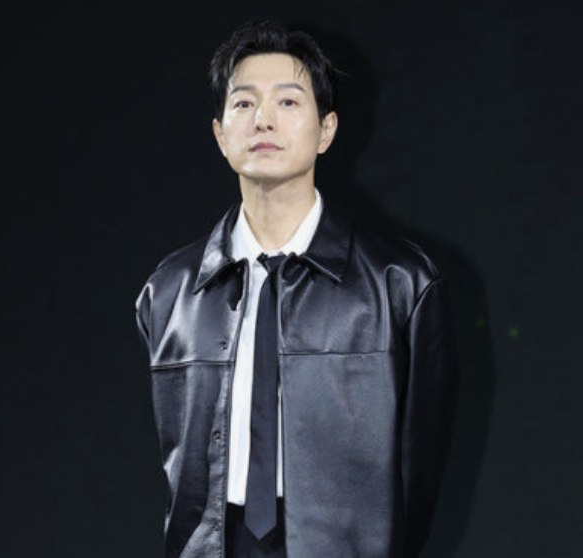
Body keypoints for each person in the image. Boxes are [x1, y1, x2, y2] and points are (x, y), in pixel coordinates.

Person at [136, 20, 457, 558]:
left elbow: (421, 471)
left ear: (326, 130)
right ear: (219, 134)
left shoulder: (400, 284)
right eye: (244, 104)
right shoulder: (169, 292)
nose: (263, 119)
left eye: (288, 102)